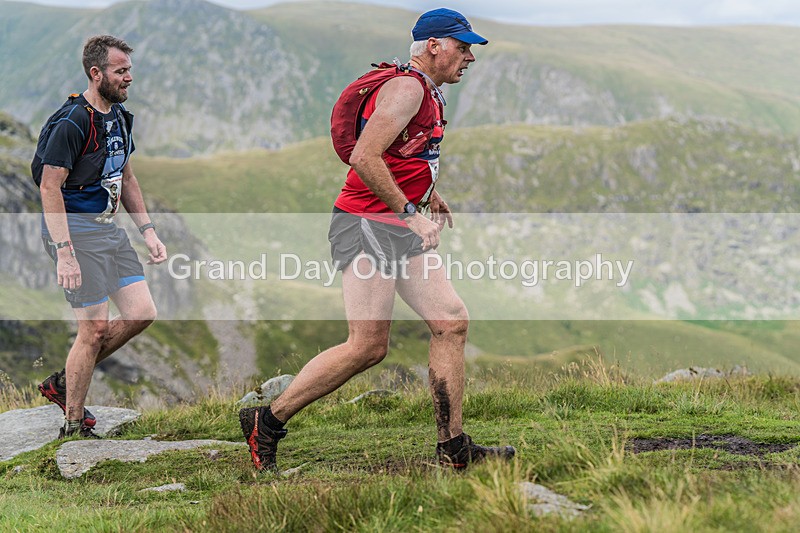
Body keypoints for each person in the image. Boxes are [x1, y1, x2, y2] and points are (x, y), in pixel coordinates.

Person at [240, 8, 515, 471]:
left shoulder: (428, 89)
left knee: (451, 321)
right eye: (462, 47)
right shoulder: (407, 88)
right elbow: (365, 157)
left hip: (395, 225)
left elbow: (405, 153)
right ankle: (267, 420)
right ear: (434, 46)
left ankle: (454, 448)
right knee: (367, 345)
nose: (469, 57)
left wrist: (430, 195)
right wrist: (410, 213)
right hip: (366, 225)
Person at [33, 35, 167, 438]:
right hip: (74, 233)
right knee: (91, 330)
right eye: (121, 70)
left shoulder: (122, 118)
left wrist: (148, 231)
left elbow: (125, 176)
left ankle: (63, 381)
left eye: (129, 69)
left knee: (142, 312)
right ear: (97, 73)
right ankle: (73, 425)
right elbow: (48, 187)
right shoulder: (73, 121)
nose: (129, 78)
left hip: (107, 230)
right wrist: (65, 254)